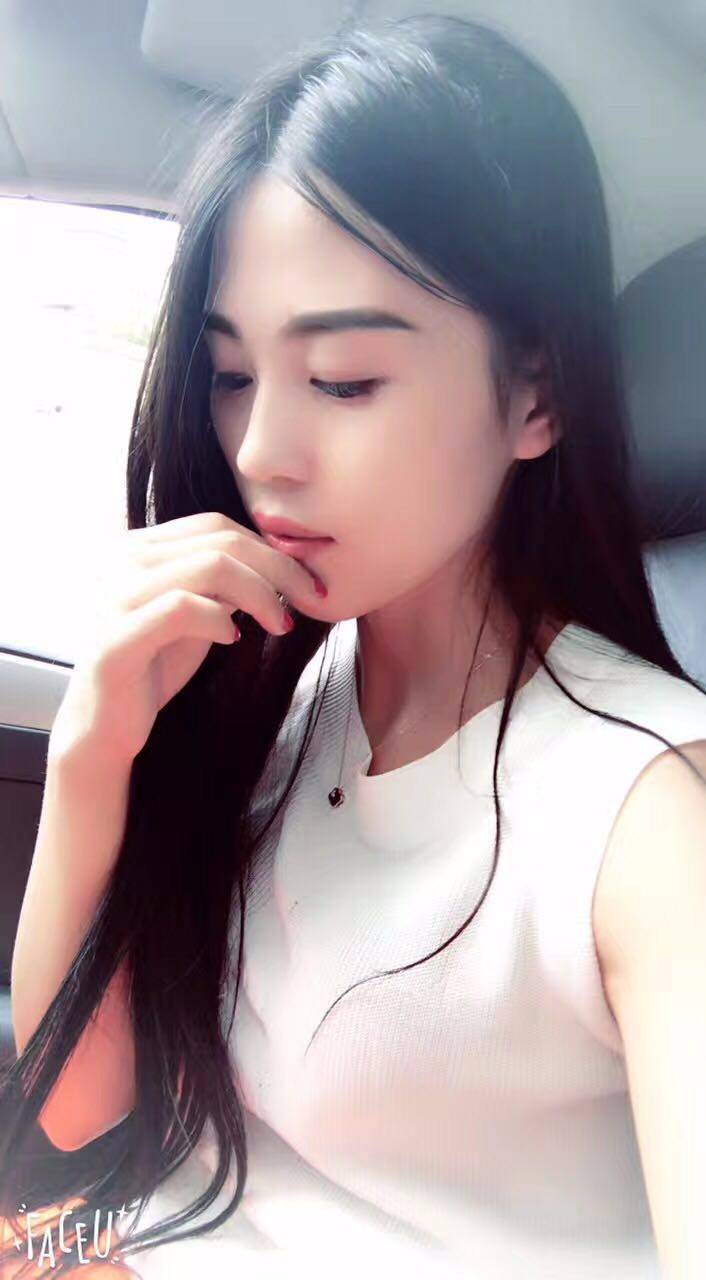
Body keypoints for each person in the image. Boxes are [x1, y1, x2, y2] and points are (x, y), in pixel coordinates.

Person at [1, 13, 705, 1280]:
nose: (262, 449)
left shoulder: (644, 817)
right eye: (232, 376)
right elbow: (80, 1116)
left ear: (537, 395)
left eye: (342, 380)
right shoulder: (283, 686)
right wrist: (93, 754)